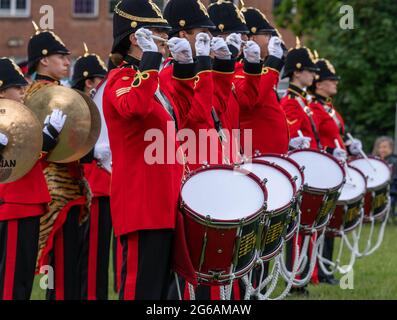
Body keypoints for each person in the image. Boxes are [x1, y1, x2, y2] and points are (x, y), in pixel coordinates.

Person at [103, 0, 184, 300]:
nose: (163, 39)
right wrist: (150, 60)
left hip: (163, 200)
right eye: (155, 32)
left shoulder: (152, 81)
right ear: (136, 38)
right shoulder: (120, 78)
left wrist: (191, 65)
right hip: (141, 203)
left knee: (164, 293)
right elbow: (133, 108)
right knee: (141, 290)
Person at [25, 24, 92, 300]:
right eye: (61, 56)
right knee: (62, 272)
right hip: (57, 190)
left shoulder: (55, 90)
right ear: (44, 59)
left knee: (70, 269)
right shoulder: (43, 94)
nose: (67, 62)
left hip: (72, 188)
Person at [0, 57, 65, 300]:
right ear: (2, 90)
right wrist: (45, 139)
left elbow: (28, 156)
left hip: (27, 203)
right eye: (17, 88)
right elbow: (16, 161)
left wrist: (47, 139)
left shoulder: (16, 117)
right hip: (14, 204)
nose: (23, 91)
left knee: (23, 279)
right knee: (11, 282)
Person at [71, 45, 112, 300]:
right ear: (88, 83)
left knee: (98, 254)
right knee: (93, 255)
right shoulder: (79, 108)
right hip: (92, 187)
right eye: (100, 79)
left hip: (103, 185)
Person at [281, 39, 320, 296]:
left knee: (307, 224)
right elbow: (290, 135)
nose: (314, 74)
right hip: (299, 171)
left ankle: (302, 275)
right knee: (297, 226)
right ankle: (295, 277)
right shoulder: (290, 102)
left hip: (310, 169)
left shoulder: (302, 101)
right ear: (296, 71)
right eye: (310, 70)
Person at [308, 55, 347, 285]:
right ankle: (320, 270)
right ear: (319, 83)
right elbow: (312, 139)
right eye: (331, 80)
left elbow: (336, 133)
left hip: (335, 169)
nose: (335, 83)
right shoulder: (313, 107)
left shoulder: (328, 108)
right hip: (322, 170)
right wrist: (331, 150)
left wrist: (346, 146)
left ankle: (325, 268)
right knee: (322, 223)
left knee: (331, 222)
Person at [372, 136, 397, 223]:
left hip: (391, 189)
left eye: (385, 147)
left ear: (391, 148)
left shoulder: (394, 161)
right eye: (380, 147)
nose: (382, 150)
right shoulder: (375, 161)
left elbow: (394, 178)